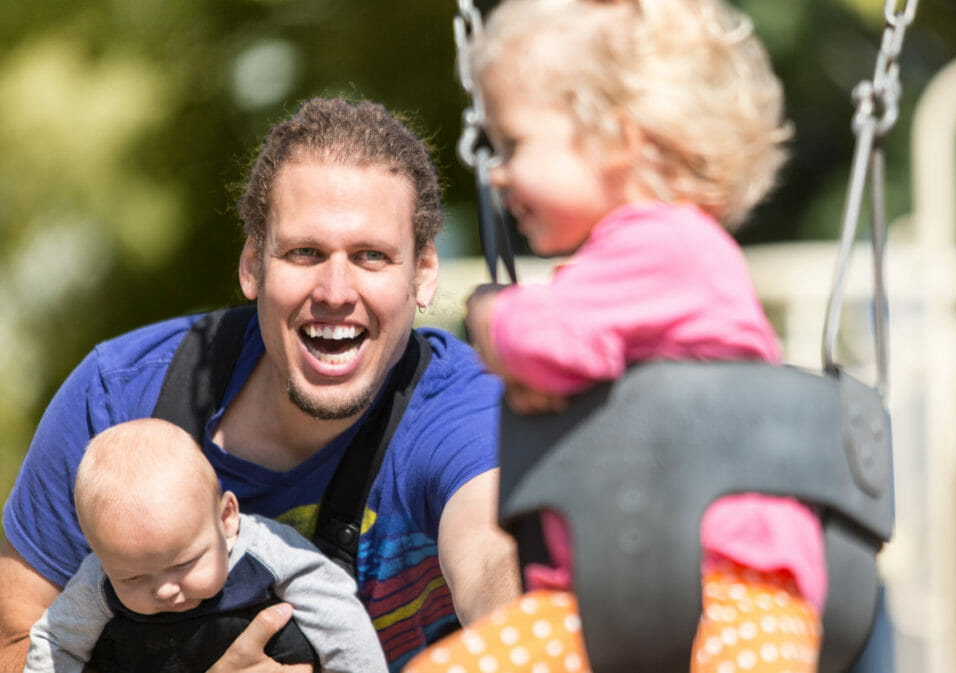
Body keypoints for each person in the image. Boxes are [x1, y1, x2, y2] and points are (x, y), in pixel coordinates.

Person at [1, 97, 520, 673]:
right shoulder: (116, 401)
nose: (335, 291)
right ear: (253, 266)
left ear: (422, 274)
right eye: (305, 252)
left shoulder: (459, 410)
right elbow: (14, 642)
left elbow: (495, 561)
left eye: (372, 256)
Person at [404, 1, 827, 672]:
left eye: (515, 144)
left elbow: (552, 339)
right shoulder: (644, 257)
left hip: (725, 595)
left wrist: (491, 315)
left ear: (619, 139)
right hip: (656, 594)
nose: (497, 172)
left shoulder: (660, 241)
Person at [24, 418, 388, 673]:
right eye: (133, 579)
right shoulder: (98, 581)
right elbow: (56, 641)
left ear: (227, 518)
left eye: (184, 563)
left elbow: (337, 612)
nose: (165, 589)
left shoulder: (267, 550)